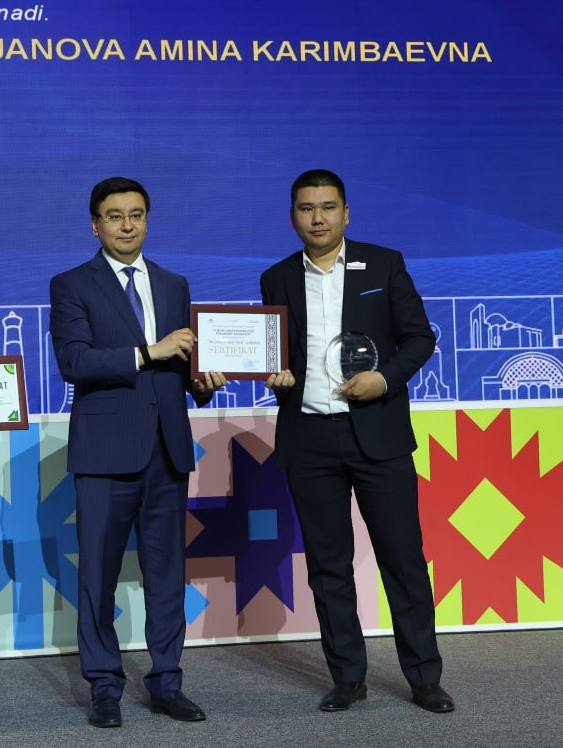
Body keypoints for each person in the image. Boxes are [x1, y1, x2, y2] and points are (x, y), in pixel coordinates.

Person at [260, 169, 455, 714]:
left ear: (346, 213)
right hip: (309, 438)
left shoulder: (384, 264)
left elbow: (420, 338)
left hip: (378, 434)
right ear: (292, 216)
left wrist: (385, 379)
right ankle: (347, 678)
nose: (317, 218)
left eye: (328, 207)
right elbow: (278, 356)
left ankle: (424, 678)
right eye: (306, 208)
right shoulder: (276, 278)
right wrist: (278, 378)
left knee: (403, 560)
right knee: (328, 567)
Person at [49, 177, 227, 729]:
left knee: (167, 574)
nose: (127, 225)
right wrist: (148, 352)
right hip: (104, 451)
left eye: (136, 214)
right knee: (97, 576)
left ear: (148, 220)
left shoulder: (174, 284)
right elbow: (74, 362)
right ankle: (104, 685)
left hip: (167, 448)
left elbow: (183, 365)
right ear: (94, 224)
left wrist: (203, 382)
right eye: (114, 215)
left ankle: (167, 681)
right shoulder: (71, 284)